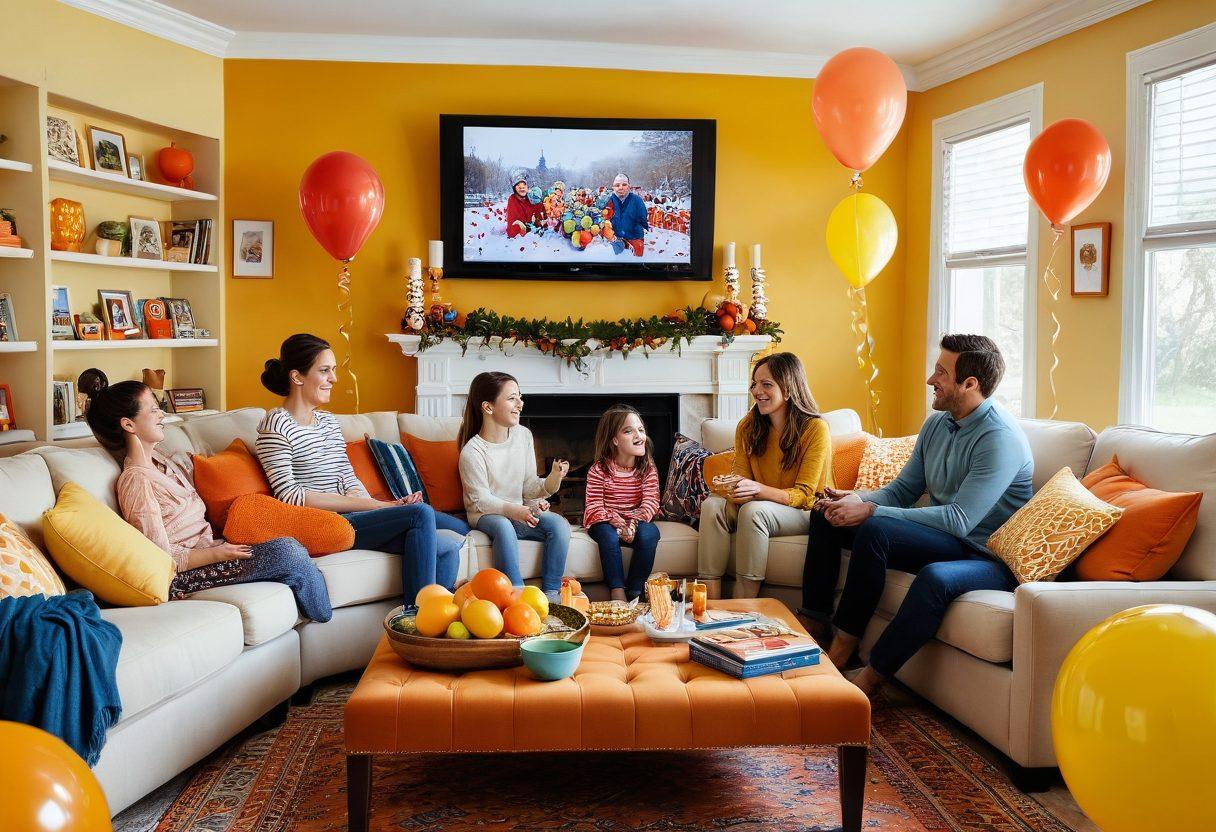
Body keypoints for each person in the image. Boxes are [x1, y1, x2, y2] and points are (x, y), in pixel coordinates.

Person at [801, 334, 1033, 697]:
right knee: (826, 515)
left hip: (985, 552)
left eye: (941, 372)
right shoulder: (937, 424)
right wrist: (854, 498)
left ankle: (857, 666)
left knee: (881, 534)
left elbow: (959, 520)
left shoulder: (999, 438)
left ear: (970, 384)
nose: (930, 380)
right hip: (945, 538)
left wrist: (871, 511)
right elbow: (901, 491)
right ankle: (814, 625)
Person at [87, 380, 332, 620]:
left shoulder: (163, 461)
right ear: (128, 424)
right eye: (153, 410)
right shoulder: (137, 480)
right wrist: (218, 554)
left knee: (289, 539)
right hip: (183, 577)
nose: (161, 414)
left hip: (212, 548)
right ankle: (327, 626)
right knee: (286, 551)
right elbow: (160, 556)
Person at [255, 334, 467, 605]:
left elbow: (347, 475)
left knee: (450, 541)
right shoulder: (276, 425)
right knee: (421, 513)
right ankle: (416, 618)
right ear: (297, 377)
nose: (334, 378)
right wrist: (381, 508)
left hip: (354, 517)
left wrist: (380, 505)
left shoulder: (328, 422)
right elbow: (290, 497)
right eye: (324, 370)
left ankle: (437, 625)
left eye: (333, 370)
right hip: (325, 524)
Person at [697, 352, 833, 599]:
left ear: (789, 388)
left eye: (766, 384)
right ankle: (709, 604)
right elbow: (741, 477)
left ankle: (745, 604)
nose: (757, 390)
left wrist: (757, 490)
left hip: (804, 509)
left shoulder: (815, 429)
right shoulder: (748, 426)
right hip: (761, 503)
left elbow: (805, 495)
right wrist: (731, 488)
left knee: (754, 511)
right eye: (754, 383)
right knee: (712, 506)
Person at [457, 371, 570, 598]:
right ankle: (514, 594)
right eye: (512, 398)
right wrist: (516, 510)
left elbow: (529, 486)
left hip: (517, 510)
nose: (521, 404)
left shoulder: (523, 436)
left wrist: (553, 479)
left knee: (558, 525)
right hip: (485, 514)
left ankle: (551, 595)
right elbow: (482, 500)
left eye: (520, 396)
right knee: (503, 526)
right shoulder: (473, 452)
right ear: (488, 407)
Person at [584, 405, 661, 602]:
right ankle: (617, 590)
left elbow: (651, 502)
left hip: (634, 523)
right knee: (607, 536)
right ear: (615, 440)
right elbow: (593, 507)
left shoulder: (647, 468)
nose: (639, 435)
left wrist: (633, 523)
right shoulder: (599, 469)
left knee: (650, 533)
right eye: (629, 431)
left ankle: (635, 590)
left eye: (641, 429)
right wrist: (615, 520)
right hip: (606, 523)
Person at [608, 173, 649, 257]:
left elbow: (643, 217)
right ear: (613, 188)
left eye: (624, 184)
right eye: (617, 185)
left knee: (636, 259)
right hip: (615, 238)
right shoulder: (609, 201)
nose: (620, 187)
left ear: (629, 186)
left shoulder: (637, 200)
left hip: (634, 237)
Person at [505, 170, 540, 238]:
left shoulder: (528, 198)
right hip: (519, 232)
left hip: (530, 228)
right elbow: (513, 223)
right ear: (515, 188)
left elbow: (534, 214)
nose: (522, 188)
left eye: (524, 185)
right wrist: (525, 226)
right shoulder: (512, 199)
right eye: (518, 185)